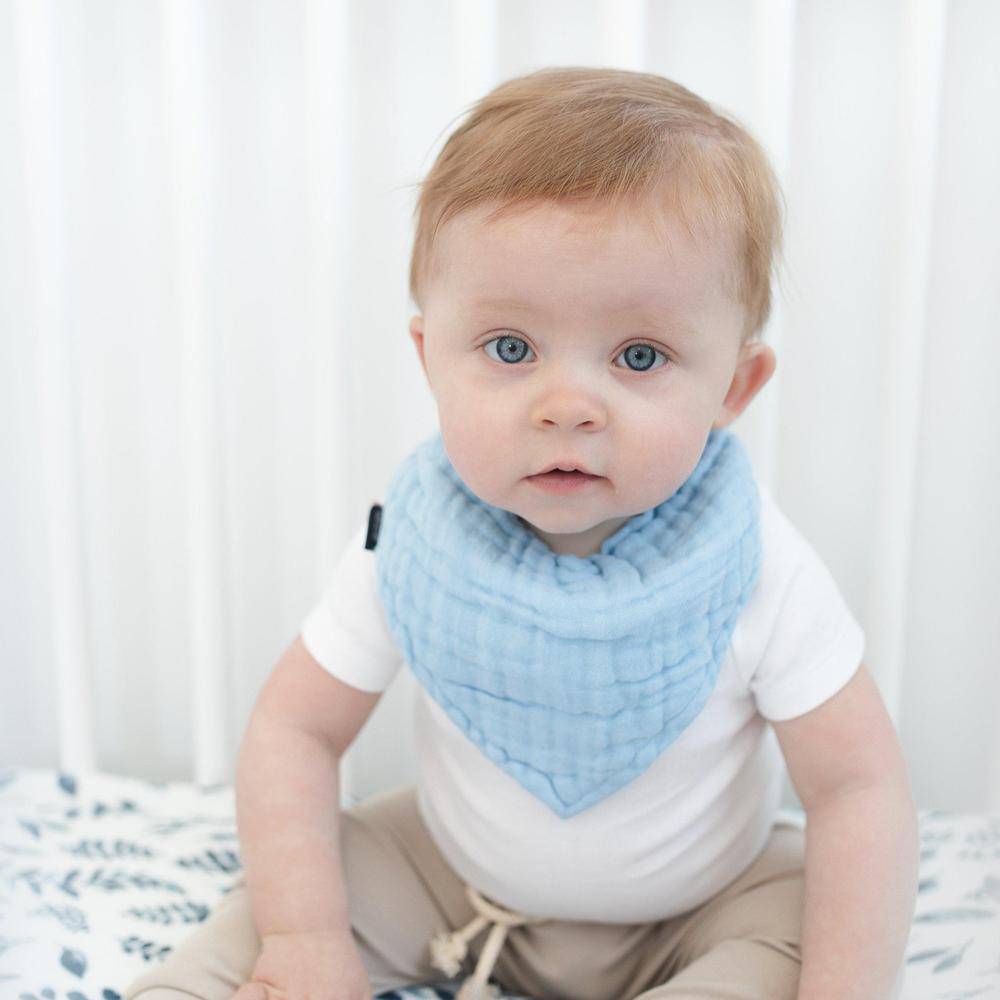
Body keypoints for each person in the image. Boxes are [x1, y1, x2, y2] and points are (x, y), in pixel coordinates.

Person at [124, 66, 918, 1000]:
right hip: (449, 883)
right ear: (430, 359)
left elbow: (858, 790)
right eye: (510, 349)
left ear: (733, 390)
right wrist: (303, 935)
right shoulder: (412, 540)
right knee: (271, 908)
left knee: (804, 927)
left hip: (704, 907)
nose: (568, 407)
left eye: (639, 355)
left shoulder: (754, 564)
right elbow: (295, 730)